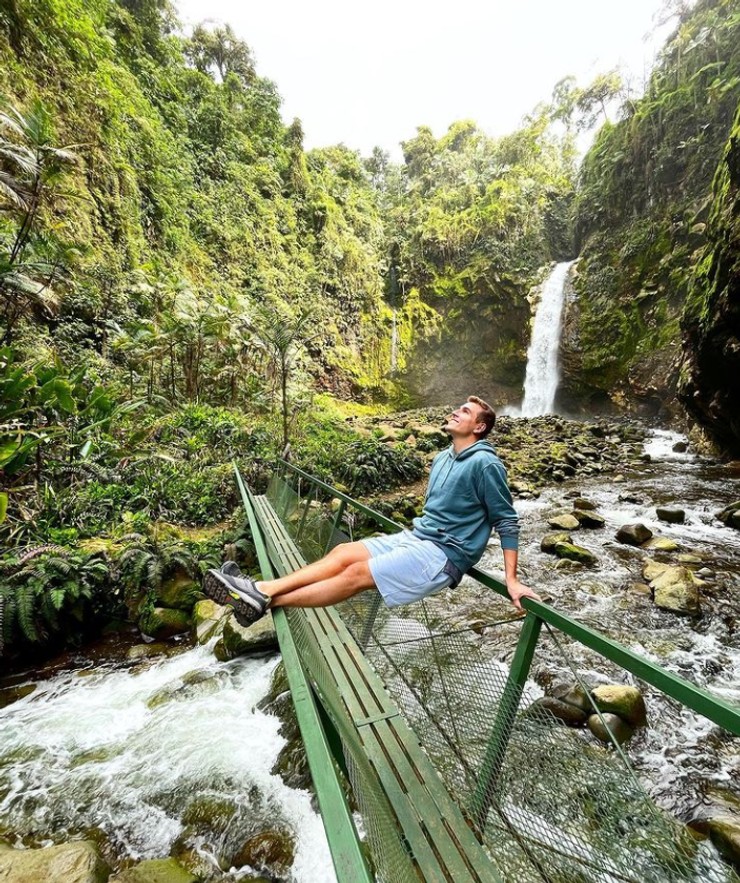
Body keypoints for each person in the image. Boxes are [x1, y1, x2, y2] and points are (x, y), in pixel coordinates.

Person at [203, 395, 540, 626]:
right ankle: (262, 591)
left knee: (356, 575)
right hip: (418, 537)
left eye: (465, 411)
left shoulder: (485, 464)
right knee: (343, 553)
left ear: (479, 427)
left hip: (444, 554)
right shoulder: (442, 457)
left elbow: (506, 521)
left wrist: (511, 581)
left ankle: (261, 596)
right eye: (458, 407)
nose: (455, 412)